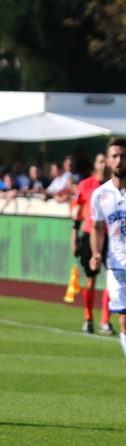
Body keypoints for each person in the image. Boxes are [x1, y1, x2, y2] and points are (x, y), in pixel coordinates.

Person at [89, 137, 126, 357]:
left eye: (123, 156)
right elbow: (97, 227)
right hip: (117, 266)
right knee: (124, 320)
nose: (120, 160)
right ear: (108, 161)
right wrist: (95, 252)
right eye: (115, 156)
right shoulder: (100, 194)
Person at [72, 152, 114, 335]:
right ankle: (88, 318)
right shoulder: (85, 185)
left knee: (112, 279)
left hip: (112, 236)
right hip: (90, 235)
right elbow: (77, 213)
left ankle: (105, 320)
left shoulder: (117, 186)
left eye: (107, 161)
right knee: (90, 279)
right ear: (95, 164)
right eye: (100, 161)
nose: (104, 165)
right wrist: (74, 236)